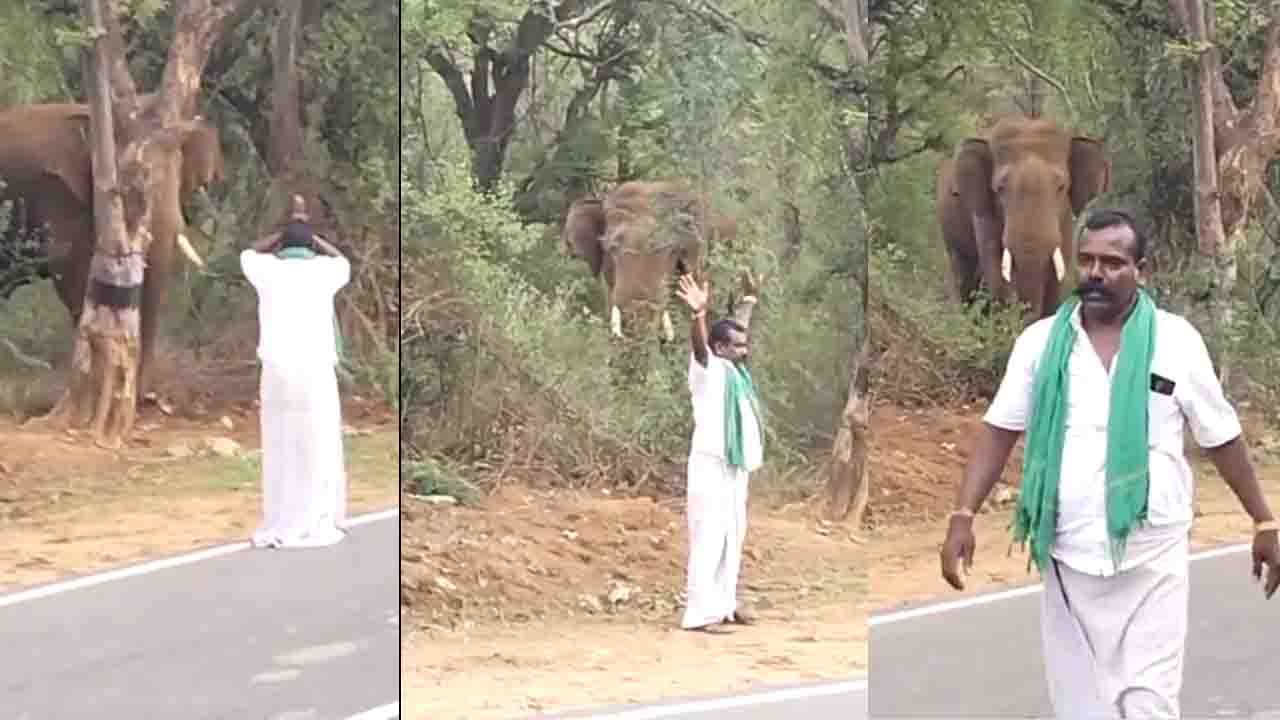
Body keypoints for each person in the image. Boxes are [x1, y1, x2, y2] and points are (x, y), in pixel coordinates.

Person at [939, 207, 1280, 718]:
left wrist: (1264, 518)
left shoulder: (1175, 340)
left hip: (1152, 554)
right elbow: (1000, 430)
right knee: (1082, 708)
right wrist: (963, 515)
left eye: (1113, 262)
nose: (1096, 273)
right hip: (1068, 555)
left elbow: (1220, 436)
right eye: (1087, 260)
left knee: (1148, 704)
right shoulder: (1038, 345)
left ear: (1142, 268)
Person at [240, 194, 352, 548]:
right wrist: (311, 235)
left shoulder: (267, 270)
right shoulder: (324, 271)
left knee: (281, 445)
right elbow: (341, 259)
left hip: (276, 373)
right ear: (313, 246)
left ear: (280, 246)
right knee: (316, 444)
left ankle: (282, 517)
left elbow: (247, 253)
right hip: (315, 371)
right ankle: (317, 516)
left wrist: (281, 233)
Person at [674, 272, 764, 634]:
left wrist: (749, 302)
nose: (745, 350)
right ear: (720, 347)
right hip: (710, 465)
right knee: (708, 536)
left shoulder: (734, 372)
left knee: (732, 536)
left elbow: (736, 328)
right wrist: (698, 315)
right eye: (738, 346)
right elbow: (700, 346)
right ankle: (699, 614)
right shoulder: (707, 369)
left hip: (734, 467)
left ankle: (725, 605)